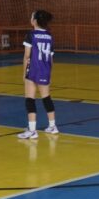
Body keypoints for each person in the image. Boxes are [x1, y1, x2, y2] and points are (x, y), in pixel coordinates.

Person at [19, 10, 57, 140]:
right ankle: (52, 126)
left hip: (34, 70)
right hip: (45, 70)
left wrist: (24, 73)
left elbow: (27, 56)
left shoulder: (31, 35)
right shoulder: (49, 36)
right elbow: (51, 59)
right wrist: (49, 74)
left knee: (30, 99)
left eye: (31, 16)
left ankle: (32, 130)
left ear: (34, 21)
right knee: (47, 98)